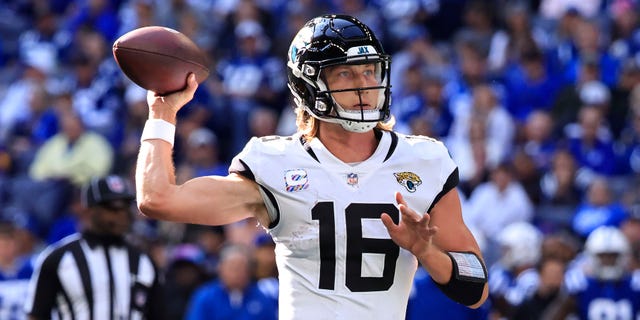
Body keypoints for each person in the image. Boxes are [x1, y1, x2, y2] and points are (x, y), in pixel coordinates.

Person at [136, 14, 488, 319]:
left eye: (370, 70)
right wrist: (163, 113)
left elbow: (477, 289)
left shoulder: (422, 161)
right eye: (346, 75)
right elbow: (157, 199)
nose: (365, 85)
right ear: (309, 85)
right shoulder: (275, 163)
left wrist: (425, 251)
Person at [24, 175, 164, 319]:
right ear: (89, 210)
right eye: (114, 208)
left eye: (126, 207)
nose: (122, 215)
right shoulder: (58, 259)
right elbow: (36, 315)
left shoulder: (144, 261)